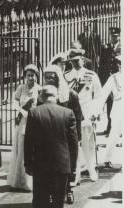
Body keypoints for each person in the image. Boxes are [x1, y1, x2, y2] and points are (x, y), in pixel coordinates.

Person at [24, 85, 78, 208]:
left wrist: (27, 164)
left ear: (42, 97)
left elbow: (28, 142)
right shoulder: (68, 113)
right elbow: (73, 145)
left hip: (40, 165)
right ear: (56, 97)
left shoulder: (34, 113)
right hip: (62, 166)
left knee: (40, 201)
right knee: (58, 202)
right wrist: (73, 167)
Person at [43, 64, 83, 204]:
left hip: (66, 137)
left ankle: (69, 190)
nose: (49, 81)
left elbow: (77, 118)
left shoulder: (71, 95)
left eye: (51, 78)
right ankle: (50, 193)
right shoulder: (42, 95)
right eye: (46, 78)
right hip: (48, 137)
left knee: (69, 165)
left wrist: (78, 137)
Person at [64, 48, 102, 182]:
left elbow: (98, 96)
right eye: (72, 61)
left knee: (88, 145)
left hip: (86, 114)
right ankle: (76, 175)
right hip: (72, 116)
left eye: (77, 60)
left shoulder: (91, 75)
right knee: (74, 147)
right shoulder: (66, 76)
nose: (75, 63)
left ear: (83, 59)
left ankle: (92, 170)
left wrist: (95, 113)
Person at [7, 64, 41, 191]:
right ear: (25, 77)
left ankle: (30, 181)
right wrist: (21, 110)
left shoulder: (40, 89)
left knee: (32, 150)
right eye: (28, 75)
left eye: (33, 75)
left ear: (36, 76)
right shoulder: (21, 88)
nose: (31, 78)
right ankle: (20, 180)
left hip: (34, 123)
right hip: (23, 121)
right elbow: (14, 101)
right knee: (21, 149)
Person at [94, 56, 122, 169]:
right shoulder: (113, 78)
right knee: (114, 134)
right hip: (119, 107)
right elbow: (102, 95)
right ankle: (107, 159)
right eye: (120, 62)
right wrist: (96, 111)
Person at [98, 27, 121, 135]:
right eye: (112, 36)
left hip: (118, 80)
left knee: (118, 103)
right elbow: (101, 65)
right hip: (108, 80)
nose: (113, 38)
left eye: (115, 36)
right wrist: (101, 80)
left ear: (119, 36)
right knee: (109, 103)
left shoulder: (122, 47)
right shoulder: (105, 48)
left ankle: (120, 128)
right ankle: (109, 126)